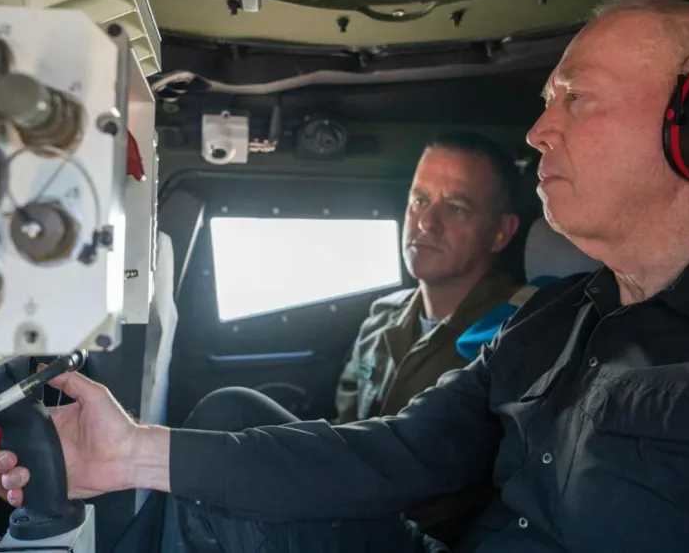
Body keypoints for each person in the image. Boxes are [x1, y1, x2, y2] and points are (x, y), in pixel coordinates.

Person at [0, 0, 689, 553]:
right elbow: (405, 450)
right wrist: (132, 454)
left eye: (573, 100)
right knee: (209, 461)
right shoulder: (561, 319)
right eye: (546, 103)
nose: (539, 133)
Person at [171, 131, 533, 546]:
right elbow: (348, 428)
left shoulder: (520, 328)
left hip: (430, 536)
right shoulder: (384, 316)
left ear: (501, 232)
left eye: (455, 207)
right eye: (419, 200)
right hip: (360, 505)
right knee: (230, 413)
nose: (427, 222)